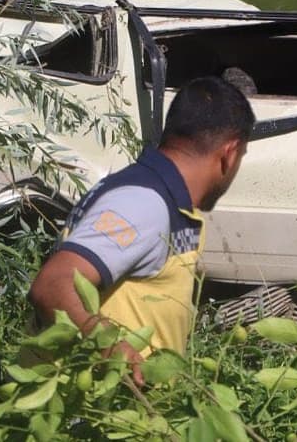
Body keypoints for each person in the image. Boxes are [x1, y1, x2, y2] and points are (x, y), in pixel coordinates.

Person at [28, 76, 254, 385]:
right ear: (229, 153)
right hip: (80, 417)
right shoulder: (143, 204)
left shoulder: (159, 198)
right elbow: (53, 284)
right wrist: (108, 342)